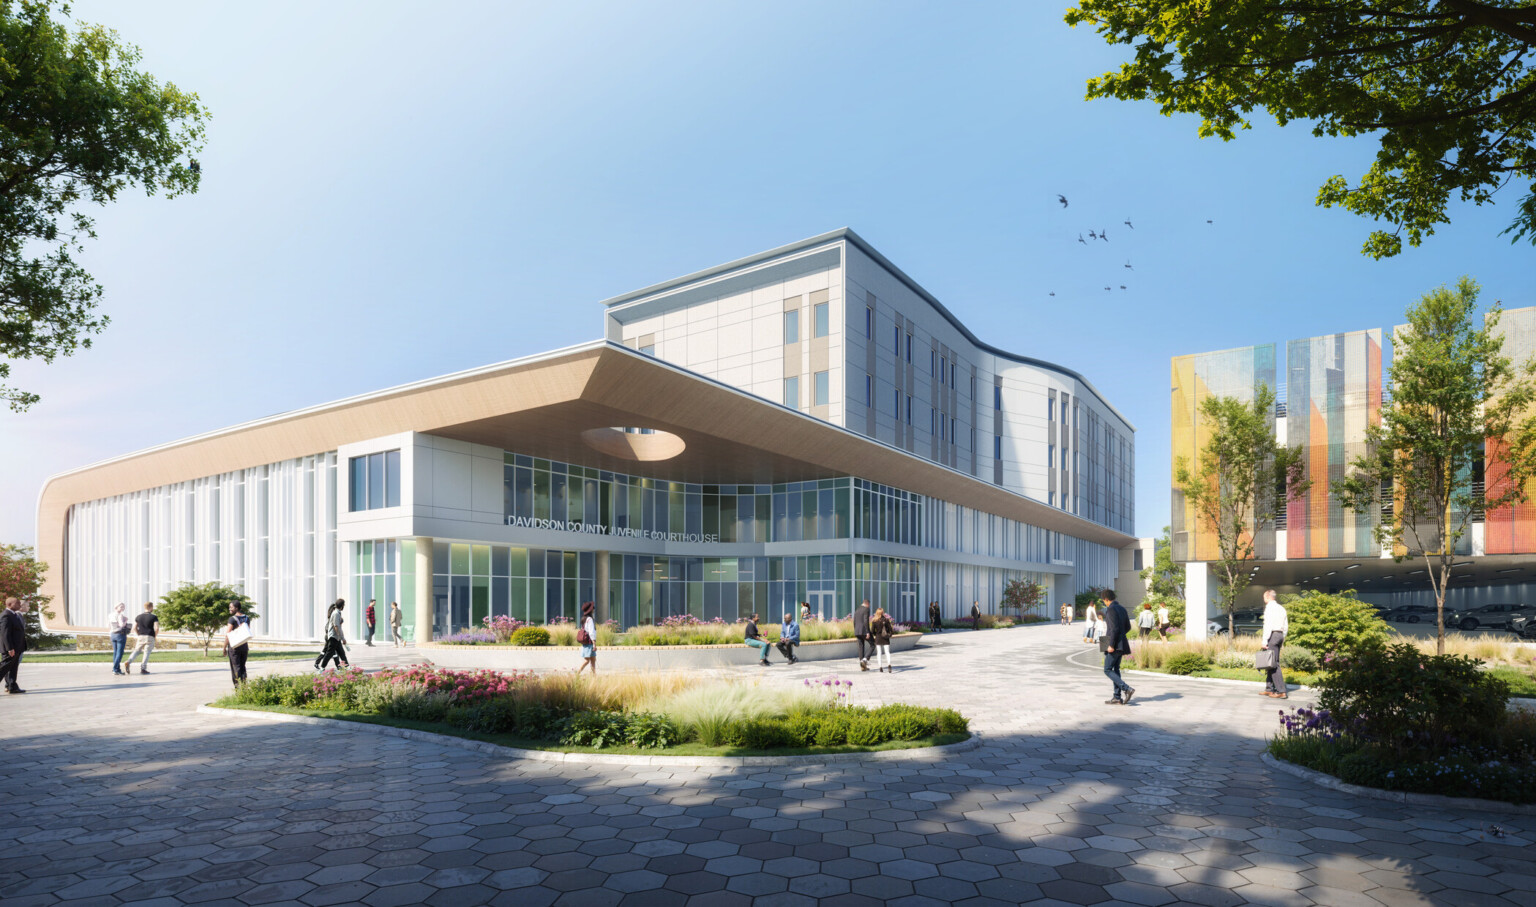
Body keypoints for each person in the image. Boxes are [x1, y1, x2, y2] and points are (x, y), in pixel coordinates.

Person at [1100, 589, 1135, 704]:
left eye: (1103, 601)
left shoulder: (1110, 610)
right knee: (1116, 669)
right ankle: (1116, 697)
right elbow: (1128, 627)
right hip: (1121, 642)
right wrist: (1120, 636)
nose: (1104, 603)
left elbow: (1114, 629)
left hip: (1113, 643)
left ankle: (1126, 688)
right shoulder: (1122, 608)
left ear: (1106, 599)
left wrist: (1110, 644)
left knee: (1107, 669)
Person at [1261, 589, 1289, 699]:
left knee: (1273, 663)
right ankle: (1269, 689)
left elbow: (1268, 625)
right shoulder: (1281, 608)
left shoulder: (1269, 608)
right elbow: (1285, 626)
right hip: (1280, 635)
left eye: (1264, 597)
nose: (1263, 599)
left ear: (1268, 597)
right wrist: (1282, 637)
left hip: (1272, 635)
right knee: (1270, 662)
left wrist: (1264, 640)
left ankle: (1281, 691)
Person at [1, 597, 28, 694]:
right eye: (17, 603)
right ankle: (11, 686)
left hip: (17, 647)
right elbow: (5, 634)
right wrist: (10, 648)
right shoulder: (6, 615)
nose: (19, 605)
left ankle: (12, 686)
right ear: (9, 605)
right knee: (3, 668)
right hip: (10, 649)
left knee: (13, 668)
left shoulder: (14, 615)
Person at [315, 599, 351, 671]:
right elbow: (336, 626)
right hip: (333, 637)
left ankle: (347, 667)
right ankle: (322, 668)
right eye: (344, 605)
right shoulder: (336, 614)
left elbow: (338, 626)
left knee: (341, 653)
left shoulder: (338, 613)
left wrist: (341, 637)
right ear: (341, 605)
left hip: (336, 637)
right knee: (329, 653)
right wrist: (341, 637)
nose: (344, 606)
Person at [126, 602, 158, 674]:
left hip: (141, 636)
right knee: (147, 652)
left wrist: (138, 634)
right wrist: (154, 636)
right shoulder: (154, 617)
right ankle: (143, 668)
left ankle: (128, 661)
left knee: (137, 650)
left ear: (145, 607)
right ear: (151, 607)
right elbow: (157, 628)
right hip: (150, 636)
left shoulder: (138, 617)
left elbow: (134, 628)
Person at [224, 601, 251, 686]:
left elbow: (228, 635)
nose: (229, 609)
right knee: (243, 668)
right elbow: (248, 631)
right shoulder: (247, 618)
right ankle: (244, 687)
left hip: (234, 647)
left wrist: (224, 647)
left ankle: (238, 690)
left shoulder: (232, 619)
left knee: (236, 668)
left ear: (236, 608)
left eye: (231, 607)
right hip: (244, 646)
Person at [109, 602, 132, 676]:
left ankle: (117, 669)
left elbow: (108, 625)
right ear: (116, 607)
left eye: (123, 607)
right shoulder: (120, 615)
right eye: (121, 607)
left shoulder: (110, 615)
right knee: (120, 652)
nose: (123, 608)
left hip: (113, 634)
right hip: (120, 634)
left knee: (115, 652)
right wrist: (125, 620)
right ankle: (115, 669)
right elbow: (122, 625)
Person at [870, 607, 895, 673]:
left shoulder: (874, 621)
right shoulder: (886, 620)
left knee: (879, 653)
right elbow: (891, 630)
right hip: (885, 638)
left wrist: (876, 634)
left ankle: (880, 667)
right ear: (882, 613)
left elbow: (872, 631)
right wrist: (889, 635)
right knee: (887, 652)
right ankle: (889, 664)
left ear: (876, 613)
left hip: (878, 638)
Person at [577, 601, 598, 675]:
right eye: (593, 608)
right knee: (587, 660)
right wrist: (594, 644)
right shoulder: (590, 619)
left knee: (593, 660)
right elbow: (591, 632)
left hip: (586, 643)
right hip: (590, 643)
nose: (594, 609)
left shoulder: (584, 619)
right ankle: (577, 673)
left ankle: (594, 676)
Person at [852, 599, 872, 671]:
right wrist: (867, 632)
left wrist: (855, 631)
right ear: (867, 604)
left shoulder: (857, 610)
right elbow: (866, 620)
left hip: (857, 631)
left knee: (861, 647)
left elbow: (854, 621)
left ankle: (863, 667)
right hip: (864, 631)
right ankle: (865, 659)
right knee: (873, 644)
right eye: (869, 605)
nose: (869, 606)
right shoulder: (866, 609)